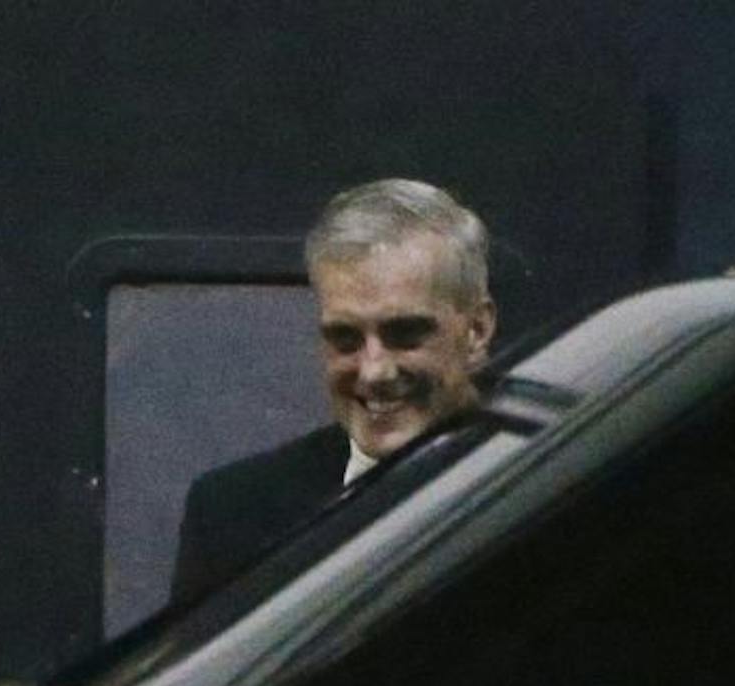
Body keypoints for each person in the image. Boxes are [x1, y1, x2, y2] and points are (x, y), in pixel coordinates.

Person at [169, 178, 497, 603]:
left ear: (477, 329)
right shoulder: (232, 515)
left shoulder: (560, 486)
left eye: (405, 333)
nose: (374, 370)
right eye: (345, 338)